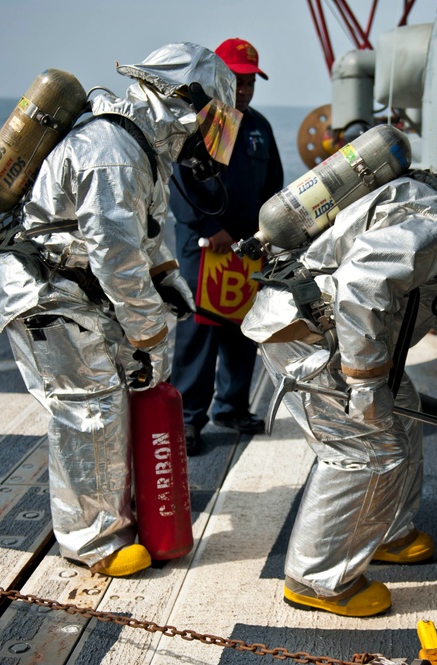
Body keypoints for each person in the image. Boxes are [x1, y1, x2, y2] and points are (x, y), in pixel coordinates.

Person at [242, 145, 437, 616]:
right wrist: (366, 384)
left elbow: (433, 301)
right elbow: (361, 287)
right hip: (308, 338)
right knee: (366, 451)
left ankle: (387, 531)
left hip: (331, 334)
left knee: (403, 419)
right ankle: (316, 579)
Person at [0, 43, 240, 578]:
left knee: (113, 398)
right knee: (91, 405)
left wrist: (170, 284)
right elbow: (116, 257)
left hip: (74, 292)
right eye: (214, 118)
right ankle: (93, 541)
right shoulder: (115, 151)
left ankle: (115, 517)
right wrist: (150, 335)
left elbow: (144, 239)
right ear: (185, 104)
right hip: (48, 295)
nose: (213, 136)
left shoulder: (139, 148)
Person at [169, 38, 284, 454]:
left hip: (247, 249)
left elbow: (273, 188)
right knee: (200, 331)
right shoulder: (200, 124)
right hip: (205, 248)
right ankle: (187, 418)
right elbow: (180, 185)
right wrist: (209, 226)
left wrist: (270, 234)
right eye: (236, 79)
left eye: (250, 80)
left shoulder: (258, 128)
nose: (244, 88)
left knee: (242, 325)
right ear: (217, 77)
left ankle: (231, 405)